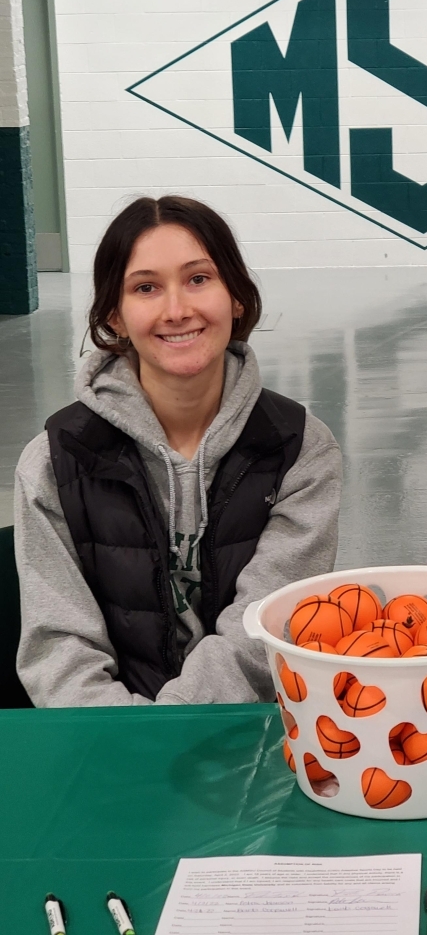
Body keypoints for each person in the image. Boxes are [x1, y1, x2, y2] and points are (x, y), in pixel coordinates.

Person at [15, 196, 342, 707]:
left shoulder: (300, 449)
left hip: (250, 736)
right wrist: (134, 745)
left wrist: (170, 733)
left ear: (236, 296)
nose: (177, 310)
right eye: (146, 287)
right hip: (108, 744)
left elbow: (268, 626)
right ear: (114, 316)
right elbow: (59, 646)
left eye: (198, 279)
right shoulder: (54, 462)